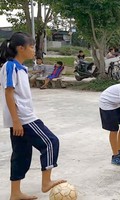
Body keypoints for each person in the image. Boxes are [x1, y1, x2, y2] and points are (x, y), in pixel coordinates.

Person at [0, 32, 66, 200]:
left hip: (21, 118)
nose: (34, 50)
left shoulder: (21, 68)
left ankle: (15, 193)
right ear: (20, 49)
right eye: (31, 47)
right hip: (23, 118)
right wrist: (16, 121)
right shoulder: (10, 66)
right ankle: (46, 182)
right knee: (51, 142)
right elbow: (9, 93)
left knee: (21, 154)